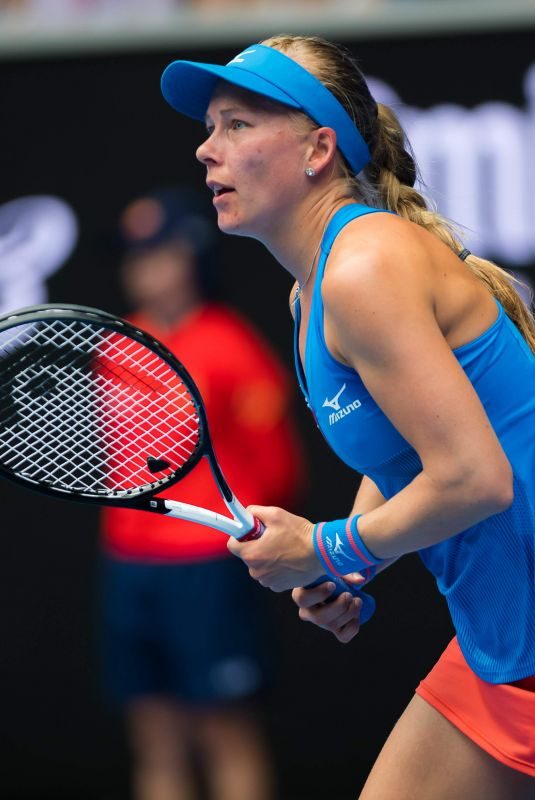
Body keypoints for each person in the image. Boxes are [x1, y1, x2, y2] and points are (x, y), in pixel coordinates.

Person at [159, 35, 535, 799]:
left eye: (236, 124)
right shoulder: (311, 293)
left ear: (316, 150)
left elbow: (475, 478)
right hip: (505, 636)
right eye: (209, 127)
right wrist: (355, 563)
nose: (206, 149)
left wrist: (328, 547)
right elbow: (401, 452)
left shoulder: (365, 268)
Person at [99, 186, 305, 800]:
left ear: (193, 256)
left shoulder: (232, 345)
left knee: (226, 733)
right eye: (135, 256)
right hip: (128, 565)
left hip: (207, 568)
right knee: (155, 738)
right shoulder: (115, 345)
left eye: (159, 253)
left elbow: (276, 468)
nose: (145, 268)